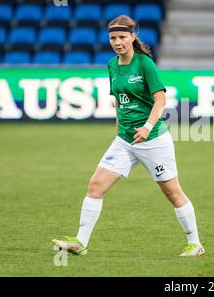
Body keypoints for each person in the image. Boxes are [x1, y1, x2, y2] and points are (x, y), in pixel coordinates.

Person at [52, 15, 205, 257]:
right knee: (95, 185)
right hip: (124, 140)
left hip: (153, 140)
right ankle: (80, 242)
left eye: (122, 37)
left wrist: (146, 127)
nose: (117, 42)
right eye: (113, 37)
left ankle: (195, 243)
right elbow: (119, 99)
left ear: (133, 37)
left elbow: (160, 99)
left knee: (172, 193)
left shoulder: (145, 64)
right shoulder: (112, 64)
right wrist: (119, 125)